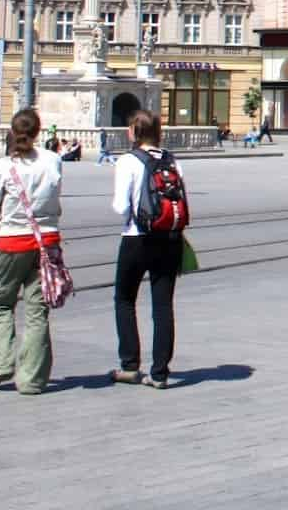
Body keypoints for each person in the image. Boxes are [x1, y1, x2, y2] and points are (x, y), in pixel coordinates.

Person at [0, 108, 63, 394]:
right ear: (39, 131)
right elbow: (57, 198)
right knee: (37, 312)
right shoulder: (53, 160)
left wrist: (7, 219)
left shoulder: (3, 166)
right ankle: (31, 379)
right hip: (47, 242)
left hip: (12, 241)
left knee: (2, 303)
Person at [111, 109, 187, 386]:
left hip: (136, 237)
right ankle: (160, 373)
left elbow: (121, 206)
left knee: (124, 299)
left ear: (133, 130)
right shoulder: (172, 160)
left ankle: (130, 365)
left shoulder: (128, 161)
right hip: (170, 239)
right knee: (163, 305)